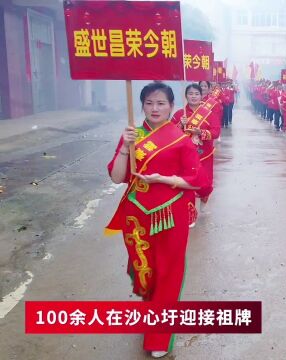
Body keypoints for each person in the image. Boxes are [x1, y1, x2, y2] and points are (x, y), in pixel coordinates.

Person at [105, 82, 206, 358]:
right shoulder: (132, 135)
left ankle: (159, 337)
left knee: (168, 273)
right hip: (136, 216)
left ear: (171, 106)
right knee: (145, 271)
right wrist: (125, 148)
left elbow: (197, 179)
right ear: (142, 106)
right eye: (149, 103)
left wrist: (164, 180)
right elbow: (116, 177)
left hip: (170, 216)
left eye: (161, 103)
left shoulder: (181, 139)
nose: (155, 108)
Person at [171, 83, 221, 226]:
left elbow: (216, 132)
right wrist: (180, 125)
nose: (193, 96)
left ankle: (204, 202)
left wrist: (201, 133)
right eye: (190, 94)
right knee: (188, 185)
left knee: (204, 184)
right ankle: (190, 214)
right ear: (186, 96)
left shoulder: (209, 113)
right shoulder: (180, 114)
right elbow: (169, 134)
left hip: (204, 154)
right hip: (185, 156)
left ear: (201, 96)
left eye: (196, 94)